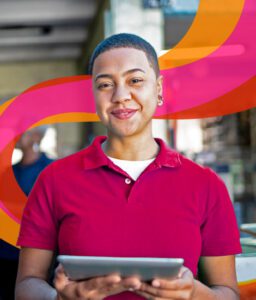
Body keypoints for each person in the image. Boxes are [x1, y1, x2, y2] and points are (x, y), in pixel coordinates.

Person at [15, 33, 242, 300]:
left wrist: (193, 293)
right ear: (93, 97)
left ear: (158, 89)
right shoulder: (53, 180)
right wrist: (59, 298)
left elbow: (229, 294)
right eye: (105, 85)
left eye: (135, 80)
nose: (121, 96)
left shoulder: (206, 184)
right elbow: (26, 285)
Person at [0, 126, 54, 300]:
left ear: (36, 136)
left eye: (20, 131)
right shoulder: (8, 172)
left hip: (36, 256)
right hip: (4, 253)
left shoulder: (51, 170)